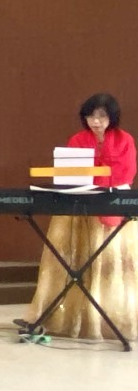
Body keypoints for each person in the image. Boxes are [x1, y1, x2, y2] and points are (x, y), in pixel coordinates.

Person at [26, 93, 138, 340]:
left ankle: (110, 321)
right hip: (79, 207)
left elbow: (125, 172)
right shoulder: (77, 140)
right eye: (90, 116)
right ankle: (73, 319)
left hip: (111, 205)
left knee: (111, 266)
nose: (95, 122)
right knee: (76, 264)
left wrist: (97, 179)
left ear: (112, 117)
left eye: (101, 116)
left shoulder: (125, 140)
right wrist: (91, 179)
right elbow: (70, 173)